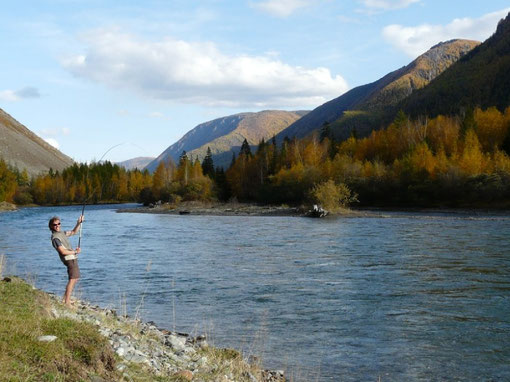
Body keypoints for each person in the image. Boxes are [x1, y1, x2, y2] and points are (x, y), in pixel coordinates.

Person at [49, 215, 84, 306]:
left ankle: (65, 299)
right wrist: (75, 251)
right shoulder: (55, 238)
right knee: (72, 280)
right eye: (54, 224)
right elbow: (63, 251)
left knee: (75, 278)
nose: (57, 225)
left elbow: (73, 232)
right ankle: (67, 302)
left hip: (72, 258)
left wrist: (78, 223)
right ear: (51, 226)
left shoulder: (62, 233)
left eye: (58, 223)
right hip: (69, 259)